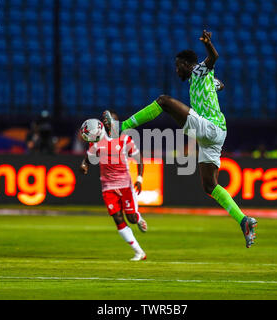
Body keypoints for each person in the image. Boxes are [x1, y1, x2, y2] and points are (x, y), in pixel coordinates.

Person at [103, 30, 257, 248]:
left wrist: (208, 45)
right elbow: (219, 84)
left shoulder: (198, 71)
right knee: (210, 185)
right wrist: (217, 84)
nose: (176, 71)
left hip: (210, 128)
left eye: (178, 66)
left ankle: (121, 127)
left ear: (187, 64)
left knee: (164, 101)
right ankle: (244, 221)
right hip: (215, 135)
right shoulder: (204, 79)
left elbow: (214, 59)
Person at [80, 111, 148, 261]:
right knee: (117, 218)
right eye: (107, 120)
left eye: (112, 120)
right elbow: (89, 157)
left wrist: (139, 178)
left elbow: (138, 158)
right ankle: (139, 252)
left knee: (131, 218)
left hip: (125, 184)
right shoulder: (96, 140)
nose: (108, 122)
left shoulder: (124, 139)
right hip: (107, 186)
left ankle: (138, 217)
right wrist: (84, 164)